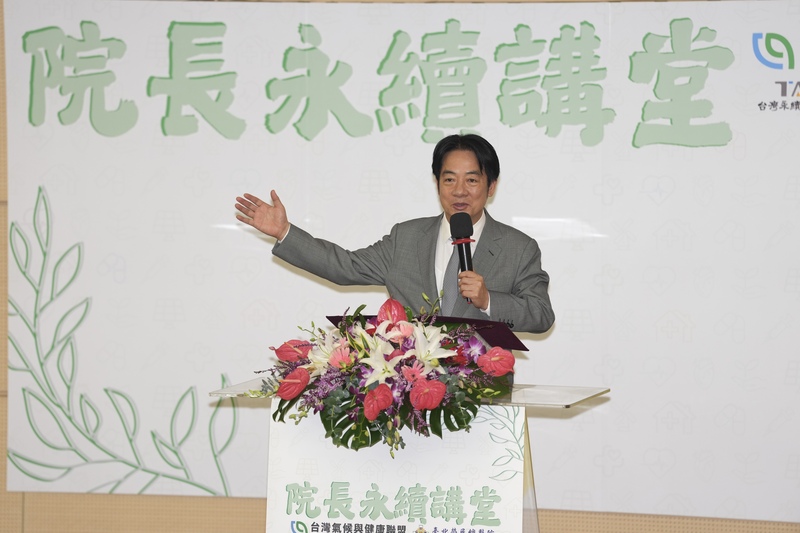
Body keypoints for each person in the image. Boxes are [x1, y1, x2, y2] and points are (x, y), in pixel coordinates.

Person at [235, 134, 554, 333]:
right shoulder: (407, 237)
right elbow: (345, 267)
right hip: (410, 392)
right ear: (437, 184)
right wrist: (285, 231)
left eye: (471, 180)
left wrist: (488, 301)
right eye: (449, 179)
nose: (459, 190)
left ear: (491, 185)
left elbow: (541, 315)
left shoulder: (519, 247)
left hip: (484, 394)